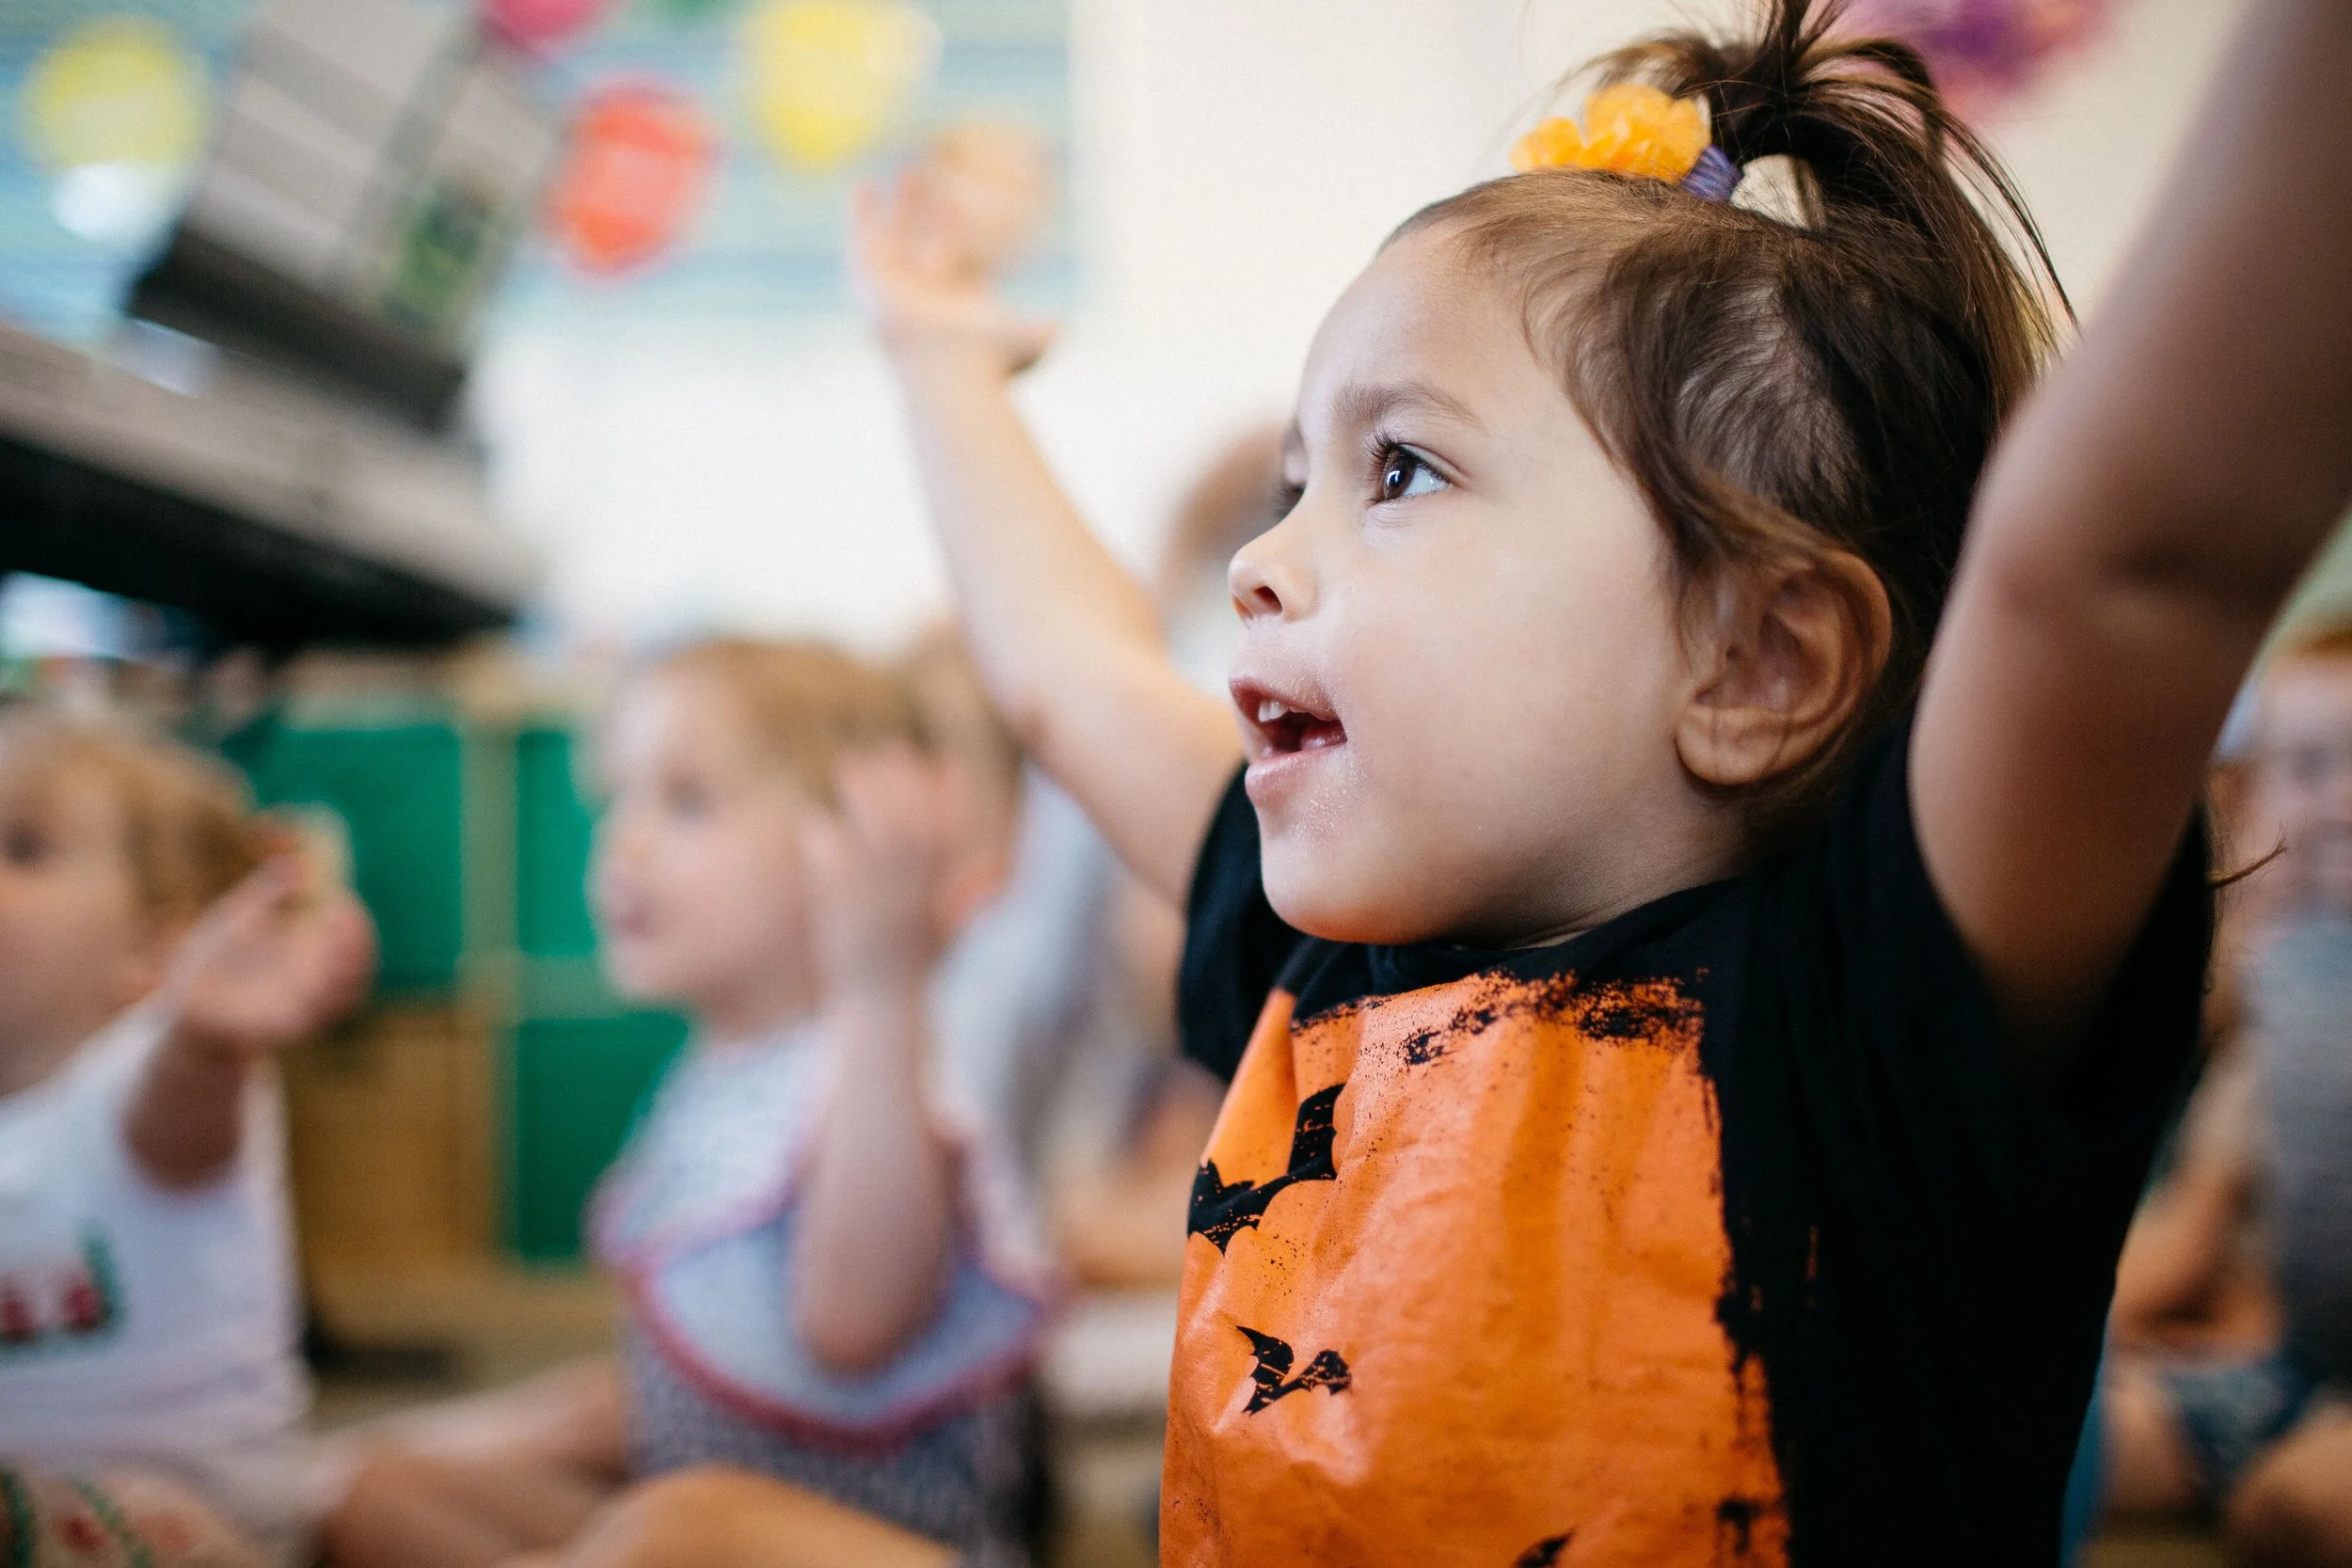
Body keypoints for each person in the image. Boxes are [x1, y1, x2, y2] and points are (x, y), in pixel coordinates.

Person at [848, 0, 2352, 1557]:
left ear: (1757, 664)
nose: (1258, 563)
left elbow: (2131, 564)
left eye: (1402, 472)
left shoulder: (1866, 1016)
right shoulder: (1325, 979)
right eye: (1297, 482)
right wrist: (939, 355)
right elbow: (1067, 670)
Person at [326, 640, 1055, 1568]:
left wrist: (879, 984)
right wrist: (406, 1447)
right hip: (697, 1521)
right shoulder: (718, 1076)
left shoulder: (879, 1066)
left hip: (886, 1549)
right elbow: (671, 1391)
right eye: (617, 800)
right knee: (389, 1493)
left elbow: (854, 1323)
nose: (621, 844)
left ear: (847, 849)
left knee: (671, 1528)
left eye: (686, 800)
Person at [0, 708, 377, 1568]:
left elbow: (173, 1117)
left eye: (21, 847)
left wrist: (205, 1034)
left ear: (154, 947)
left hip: (193, 1535)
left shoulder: (139, 1075)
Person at [2104, 619, 2352, 1565]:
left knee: (2296, 1506)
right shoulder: (2277, 1011)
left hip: (2302, 1372)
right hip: (2280, 1379)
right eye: (2303, 766)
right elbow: (2190, 1228)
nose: (2333, 802)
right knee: (2060, 1428)